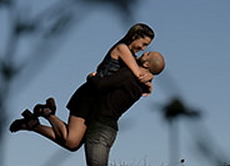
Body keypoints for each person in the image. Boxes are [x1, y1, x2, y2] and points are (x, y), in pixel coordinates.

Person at [9, 23, 156, 151]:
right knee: (71, 141)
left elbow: (103, 67)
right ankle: (45, 113)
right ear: (135, 36)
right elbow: (139, 75)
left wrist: (149, 77)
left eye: (146, 47)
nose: (143, 48)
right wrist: (149, 82)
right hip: (88, 96)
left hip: (96, 100)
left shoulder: (130, 55)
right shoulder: (122, 49)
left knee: (73, 145)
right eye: (143, 44)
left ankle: (33, 124)